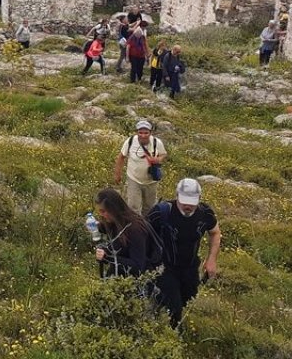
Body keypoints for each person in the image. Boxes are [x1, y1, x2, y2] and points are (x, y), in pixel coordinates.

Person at [148, 178, 221, 328]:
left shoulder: (205, 213)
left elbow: (215, 233)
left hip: (190, 268)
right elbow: (143, 233)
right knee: (174, 307)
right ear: (177, 196)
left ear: (199, 199)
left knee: (187, 299)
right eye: (184, 201)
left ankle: (161, 312)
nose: (188, 206)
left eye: (192, 202)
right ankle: (173, 334)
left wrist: (211, 259)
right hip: (165, 267)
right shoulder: (161, 212)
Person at [92, 188, 159, 278]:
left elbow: (138, 267)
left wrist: (108, 257)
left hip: (135, 280)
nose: (101, 215)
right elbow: (103, 228)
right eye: (99, 211)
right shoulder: (113, 222)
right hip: (117, 275)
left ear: (113, 209)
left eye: (103, 211)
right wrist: (94, 226)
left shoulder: (135, 230)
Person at [114, 119, 167, 215]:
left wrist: (158, 159)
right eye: (140, 133)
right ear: (136, 132)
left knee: (150, 208)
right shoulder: (130, 141)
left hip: (151, 181)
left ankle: (148, 223)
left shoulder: (156, 142)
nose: (143, 135)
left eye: (146, 133)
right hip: (134, 179)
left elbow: (163, 154)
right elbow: (121, 157)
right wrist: (118, 174)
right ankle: (135, 223)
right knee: (133, 207)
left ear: (150, 133)